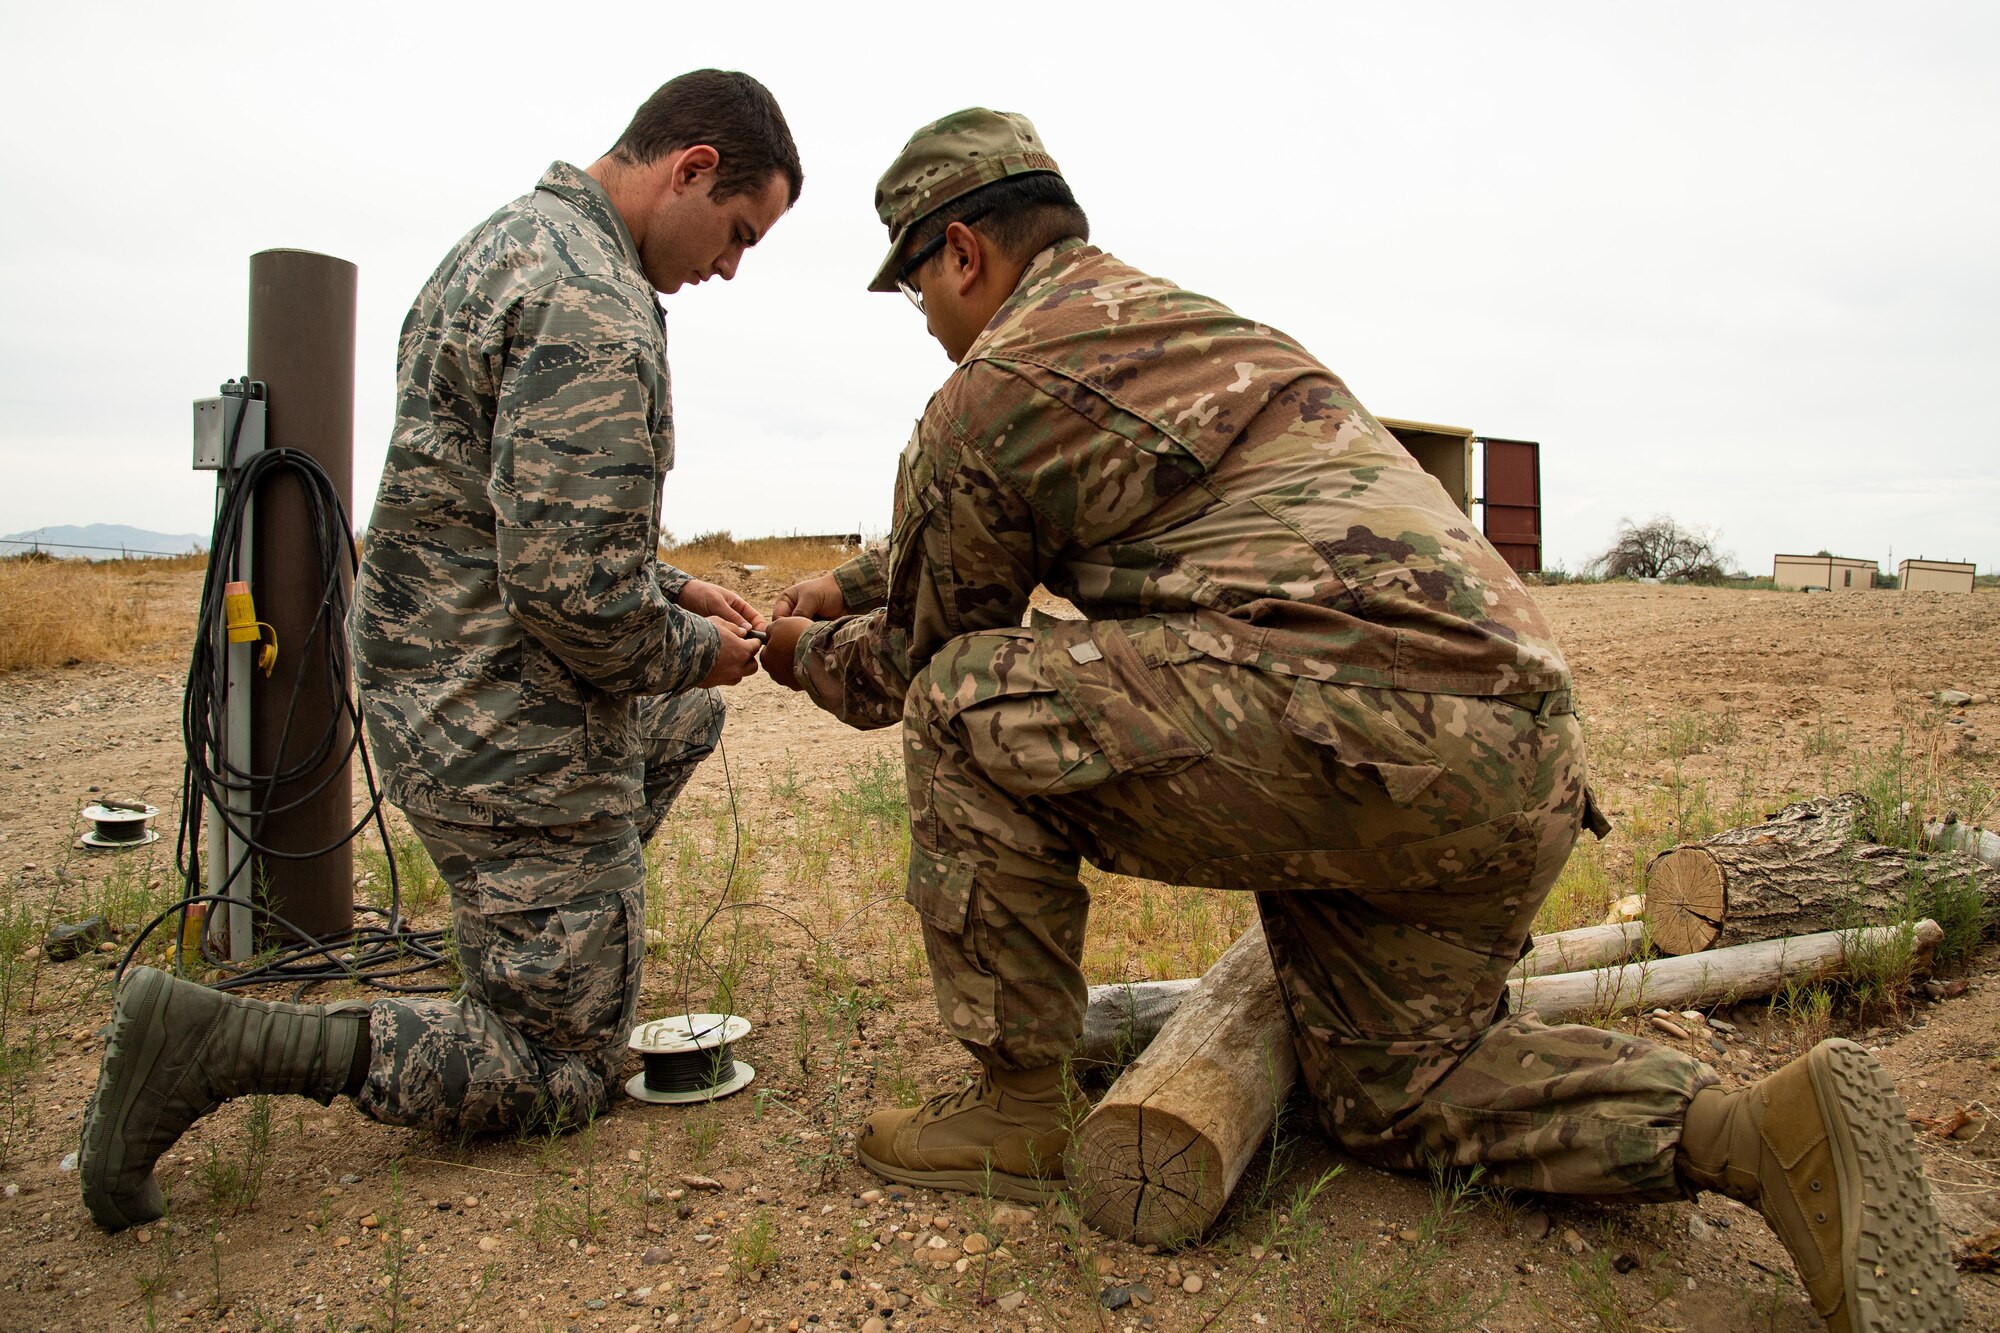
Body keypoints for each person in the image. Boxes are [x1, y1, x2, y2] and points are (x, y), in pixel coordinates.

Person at [759, 109, 1958, 1332]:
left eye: (916, 292)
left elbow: (914, 658)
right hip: (1512, 753)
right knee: (1394, 1086)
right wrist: (849, 582)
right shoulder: (1201, 334)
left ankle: (1015, 1110)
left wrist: (797, 649)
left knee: (966, 702)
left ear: (959, 250)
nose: (927, 324)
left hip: (1351, 730)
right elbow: (1022, 519)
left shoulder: (992, 385)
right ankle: (1751, 1133)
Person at [80, 69, 800, 1233]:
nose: (728, 264)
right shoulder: (596, 308)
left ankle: (539, 926)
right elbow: (575, 602)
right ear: (693, 169)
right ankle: (211, 1042)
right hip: (498, 717)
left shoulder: (509, 243)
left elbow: (494, 510)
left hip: (432, 681)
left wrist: (670, 586)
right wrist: (688, 642)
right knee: (561, 1070)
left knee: (679, 721)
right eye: (737, 233)